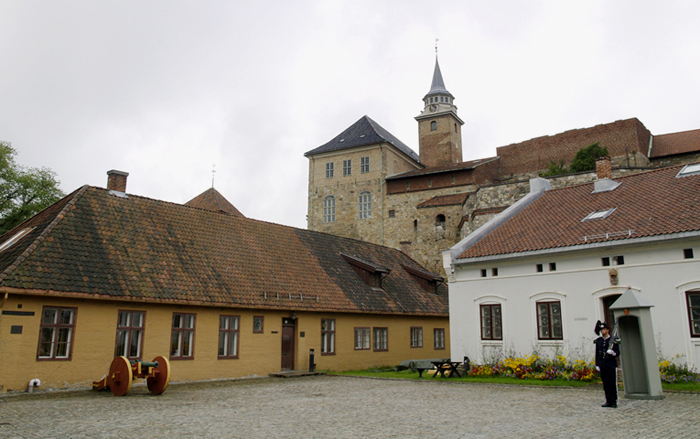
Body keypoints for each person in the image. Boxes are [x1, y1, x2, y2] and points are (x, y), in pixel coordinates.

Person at [595, 321, 620, 408]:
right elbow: (597, 354)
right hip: (603, 365)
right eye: (602, 330)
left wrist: (613, 353)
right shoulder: (599, 341)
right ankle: (608, 401)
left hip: (611, 365)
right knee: (605, 384)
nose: (603, 331)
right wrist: (597, 364)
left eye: (604, 329)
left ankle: (613, 401)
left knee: (612, 383)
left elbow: (618, 352)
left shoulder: (612, 340)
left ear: (608, 330)